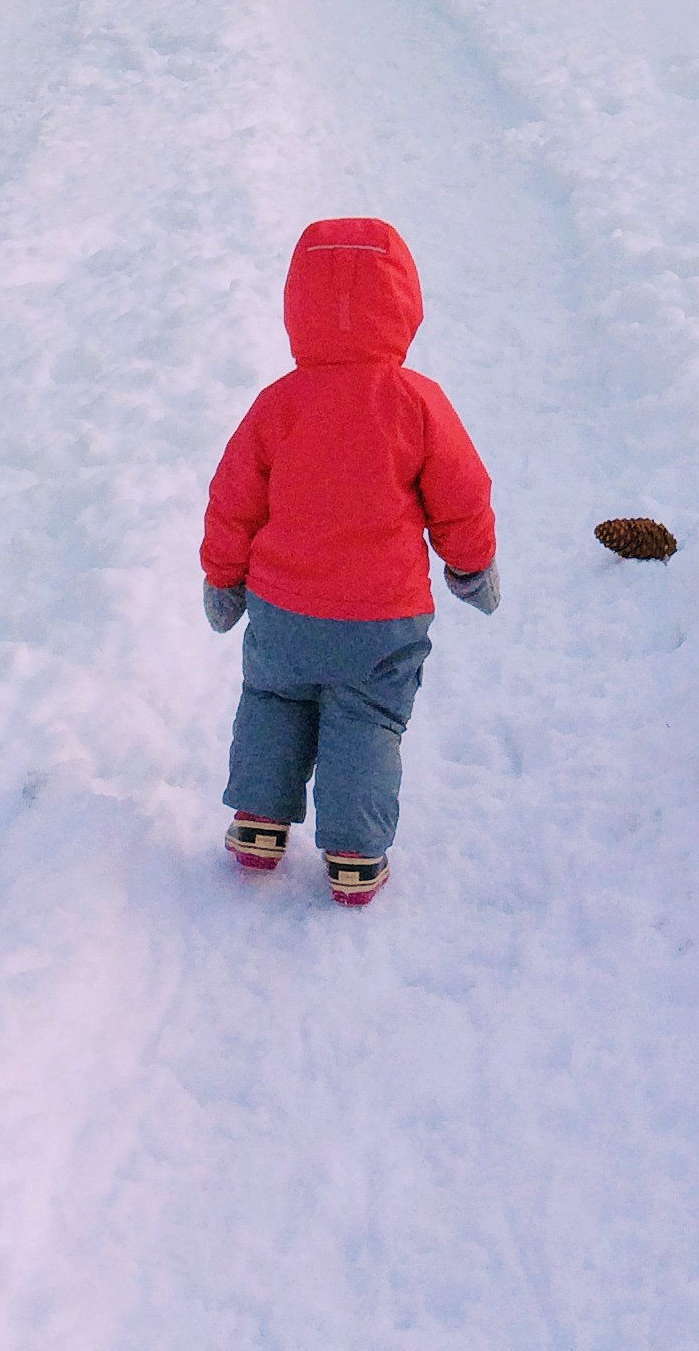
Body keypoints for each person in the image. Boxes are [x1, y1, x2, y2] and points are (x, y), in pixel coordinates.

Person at [200, 216, 497, 906]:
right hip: (381, 618)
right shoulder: (417, 403)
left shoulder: (278, 404)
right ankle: (356, 856)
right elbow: (462, 494)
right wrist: (469, 566)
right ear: (404, 306)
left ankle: (258, 823)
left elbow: (233, 498)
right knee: (366, 720)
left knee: (274, 703)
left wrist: (223, 578)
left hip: (283, 611)